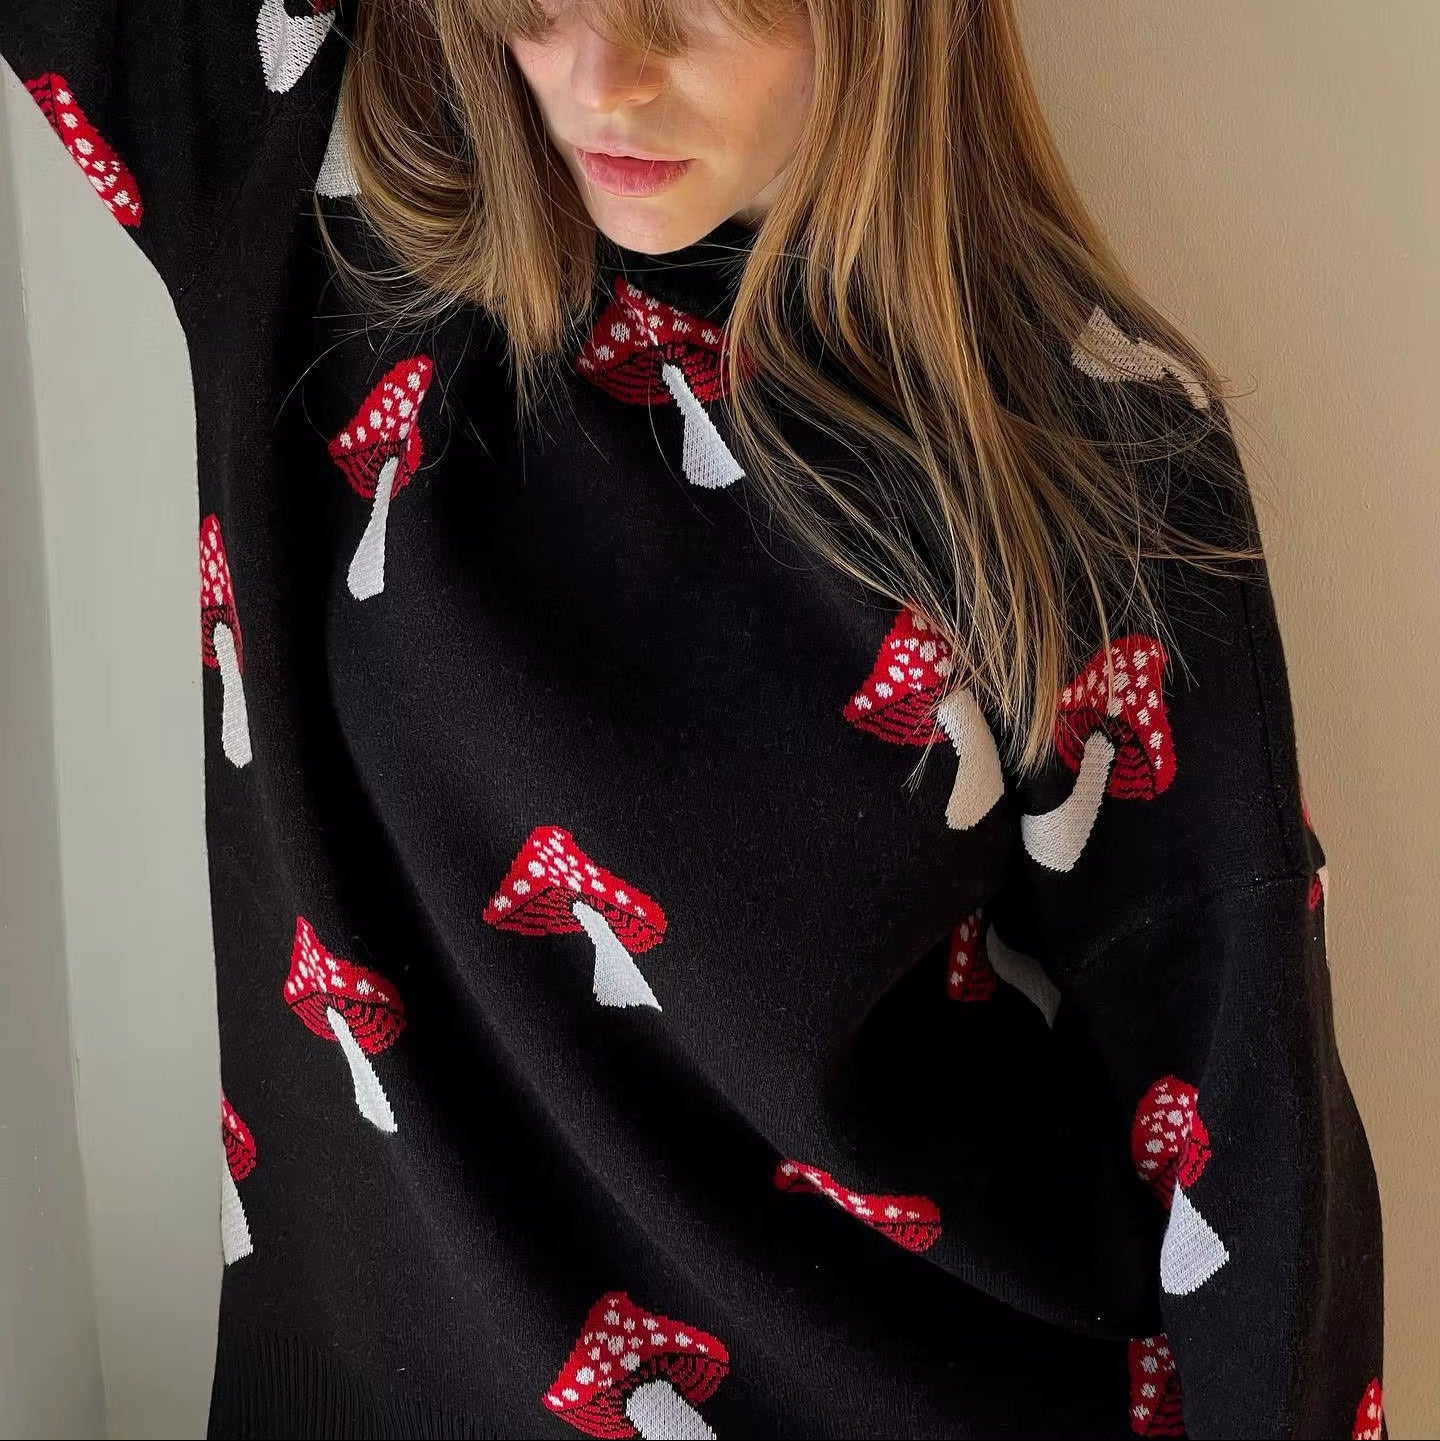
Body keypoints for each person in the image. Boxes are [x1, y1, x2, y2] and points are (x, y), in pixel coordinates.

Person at [1, 2, 1386, 1437]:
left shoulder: (1080, 444)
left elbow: (1247, 1122)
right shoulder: (302, 205)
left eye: (687, 7)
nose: (604, 82)